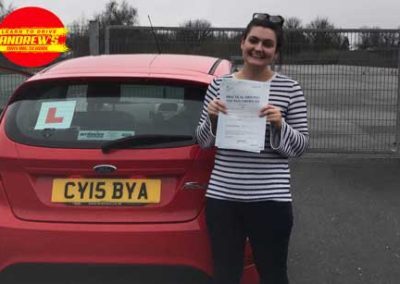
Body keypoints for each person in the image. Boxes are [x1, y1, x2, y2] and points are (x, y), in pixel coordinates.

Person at [196, 13, 309, 284]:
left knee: (273, 274)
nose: (259, 48)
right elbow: (202, 141)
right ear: (242, 43)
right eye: (253, 40)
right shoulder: (219, 86)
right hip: (224, 197)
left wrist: (281, 125)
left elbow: (301, 146)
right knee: (225, 274)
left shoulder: (290, 89)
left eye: (267, 44)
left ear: (276, 51)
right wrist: (211, 119)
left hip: (271, 199)